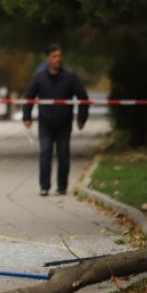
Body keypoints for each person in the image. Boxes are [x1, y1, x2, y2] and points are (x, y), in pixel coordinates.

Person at [22, 44, 89, 196]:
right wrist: (27, 116)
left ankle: (62, 186)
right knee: (45, 152)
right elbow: (29, 97)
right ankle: (44, 186)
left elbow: (82, 97)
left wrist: (82, 118)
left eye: (59, 56)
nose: (58, 59)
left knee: (63, 154)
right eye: (54, 56)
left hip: (64, 123)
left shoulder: (70, 77)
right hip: (45, 122)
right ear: (48, 59)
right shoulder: (39, 77)